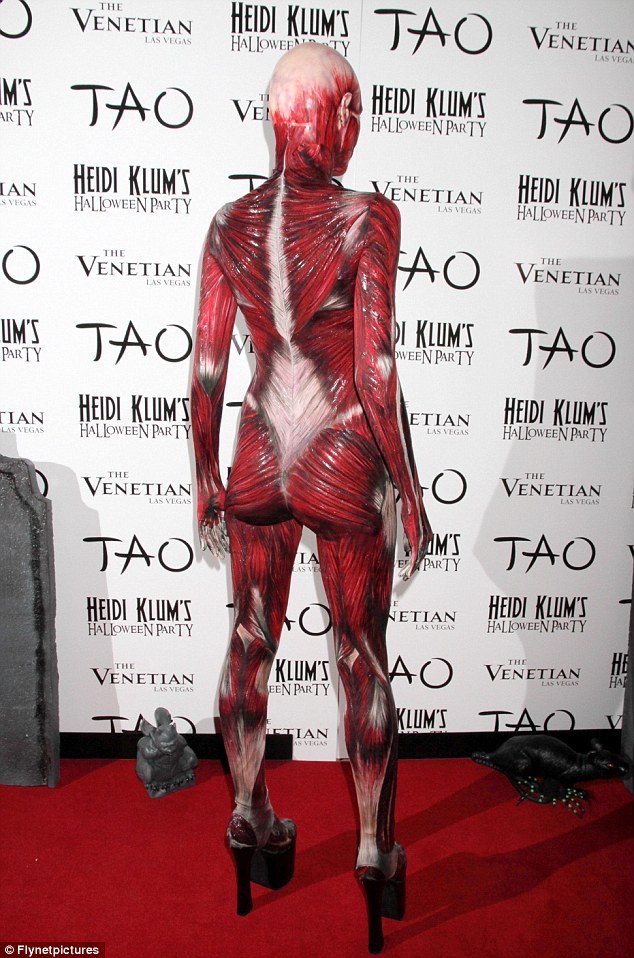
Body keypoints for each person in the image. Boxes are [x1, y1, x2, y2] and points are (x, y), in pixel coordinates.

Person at [191, 43, 432, 953]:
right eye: (349, 109)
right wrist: (409, 485)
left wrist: (207, 473)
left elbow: (207, 367)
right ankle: (373, 846)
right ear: (317, 120)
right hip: (339, 450)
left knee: (250, 637)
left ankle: (249, 815)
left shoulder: (228, 225)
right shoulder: (369, 217)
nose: (356, 126)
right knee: (363, 656)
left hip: (259, 451)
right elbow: (375, 368)